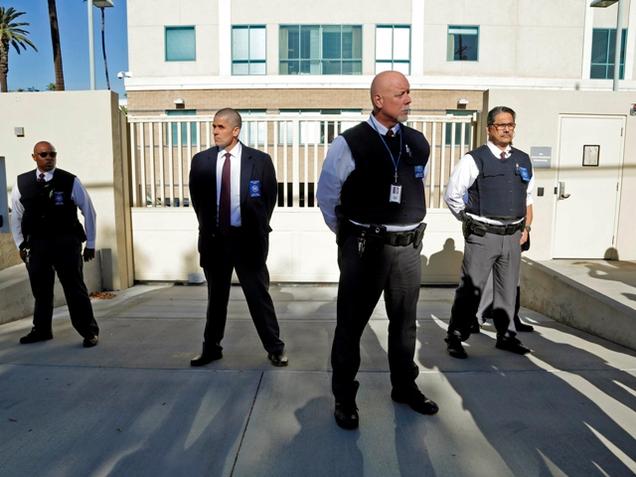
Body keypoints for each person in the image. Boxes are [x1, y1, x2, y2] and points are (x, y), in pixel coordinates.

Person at [316, 71, 438, 430]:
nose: (409, 99)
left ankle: (404, 386)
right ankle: (344, 398)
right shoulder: (349, 143)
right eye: (401, 94)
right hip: (365, 249)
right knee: (351, 326)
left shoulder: (417, 142)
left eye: (409, 92)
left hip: (407, 250)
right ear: (378, 100)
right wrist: (350, 238)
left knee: (404, 325)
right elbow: (327, 197)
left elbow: (418, 184)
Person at [188, 108, 288, 367]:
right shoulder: (201, 161)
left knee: (258, 297)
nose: (215, 132)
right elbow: (199, 202)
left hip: (247, 242)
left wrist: (255, 227)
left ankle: (275, 348)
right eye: (213, 126)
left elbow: (268, 199)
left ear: (235, 130)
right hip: (215, 242)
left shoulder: (260, 160)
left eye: (221, 127)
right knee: (216, 300)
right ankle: (211, 348)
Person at [444, 106, 534, 359]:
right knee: (471, 289)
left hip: (513, 235)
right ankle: (456, 335)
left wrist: (526, 227)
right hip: (483, 236)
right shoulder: (474, 159)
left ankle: (506, 336)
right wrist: (469, 220)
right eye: (501, 125)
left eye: (511, 125)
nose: (507, 129)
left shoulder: (523, 159)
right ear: (489, 129)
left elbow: (527, 198)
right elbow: (453, 196)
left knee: (508, 290)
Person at [10, 141, 99, 347]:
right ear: (34, 157)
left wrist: (91, 244)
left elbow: (89, 211)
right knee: (41, 290)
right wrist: (21, 244)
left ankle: (89, 331)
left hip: (66, 243)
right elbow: (16, 216)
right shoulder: (22, 182)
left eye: (52, 154)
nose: (48, 157)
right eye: (43, 154)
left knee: (75, 288)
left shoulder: (69, 180)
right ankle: (41, 330)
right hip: (37, 245)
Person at [475, 204, 534, 333]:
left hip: (515, 233)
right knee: (490, 280)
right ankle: (477, 317)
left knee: (513, 281)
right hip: (492, 232)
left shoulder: (523, 185)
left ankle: (512, 317)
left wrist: (527, 229)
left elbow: (528, 206)